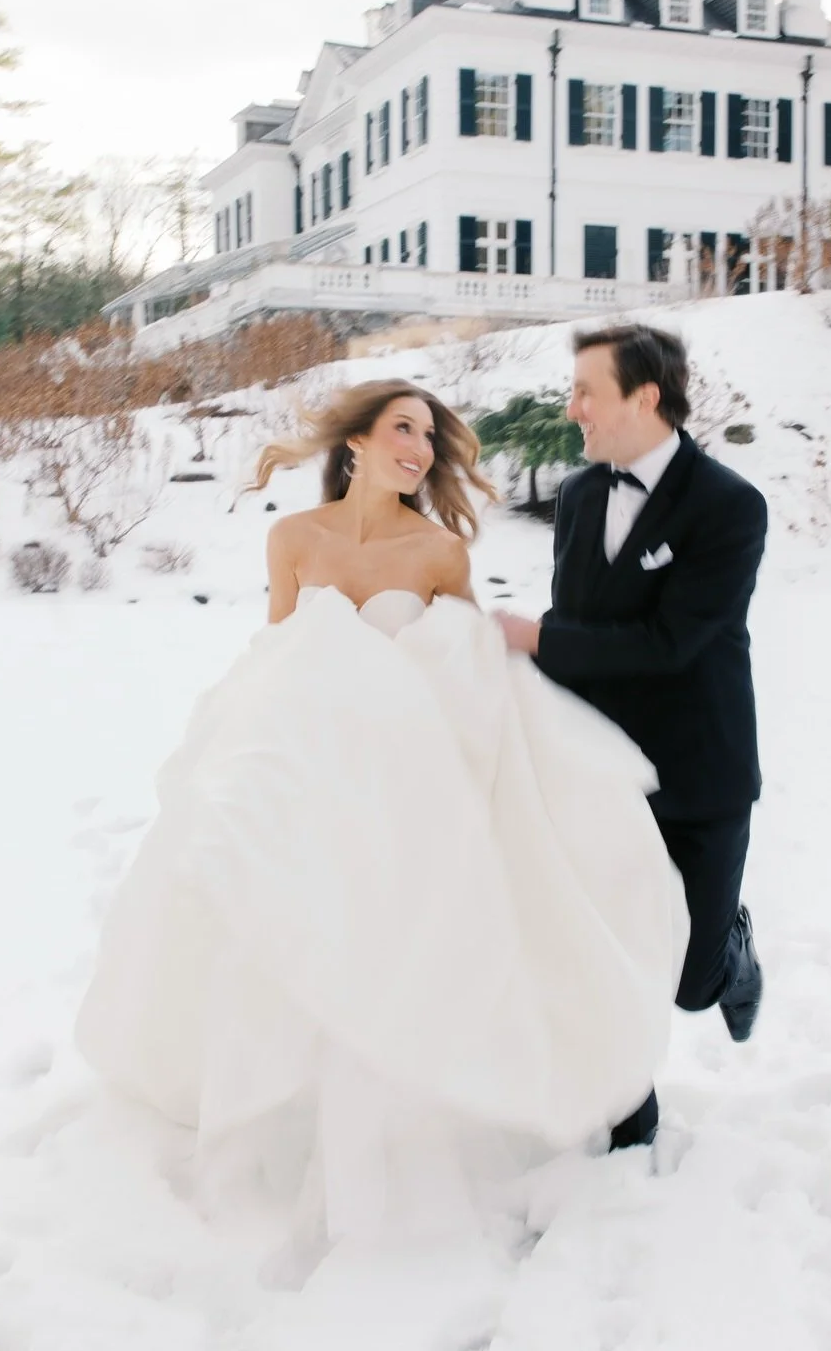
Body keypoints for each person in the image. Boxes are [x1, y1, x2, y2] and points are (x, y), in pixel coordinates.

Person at [75, 379, 688, 1249]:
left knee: (412, 926)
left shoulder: (439, 553)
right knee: (248, 872)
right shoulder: (291, 539)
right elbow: (282, 655)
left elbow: (472, 669)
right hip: (313, 770)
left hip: (408, 775)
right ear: (355, 441)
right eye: (403, 427)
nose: (421, 446)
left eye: (431, 435)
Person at [497, 324, 768, 1152]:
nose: (571, 407)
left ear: (645, 396)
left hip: (698, 770)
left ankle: (728, 945)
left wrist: (534, 638)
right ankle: (628, 1111)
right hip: (596, 772)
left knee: (687, 981)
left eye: (587, 391)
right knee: (600, 948)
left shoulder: (730, 506)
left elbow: (670, 645)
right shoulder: (580, 497)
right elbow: (579, 626)